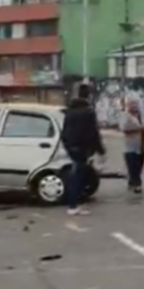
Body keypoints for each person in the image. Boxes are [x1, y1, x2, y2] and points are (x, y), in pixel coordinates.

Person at [60, 83, 106, 215]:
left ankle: (74, 204)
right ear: (89, 96)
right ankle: (73, 205)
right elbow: (93, 133)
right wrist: (101, 151)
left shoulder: (70, 110)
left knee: (77, 173)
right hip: (81, 147)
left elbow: (65, 130)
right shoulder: (88, 112)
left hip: (71, 146)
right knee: (78, 175)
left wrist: (67, 144)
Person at [120, 96, 144, 194]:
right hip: (130, 146)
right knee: (133, 165)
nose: (134, 106)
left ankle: (132, 181)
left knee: (139, 165)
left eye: (135, 104)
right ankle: (137, 184)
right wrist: (139, 129)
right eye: (132, 104)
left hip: (142, 144)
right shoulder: (125, 115)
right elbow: (123, 128)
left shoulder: (142, 115)